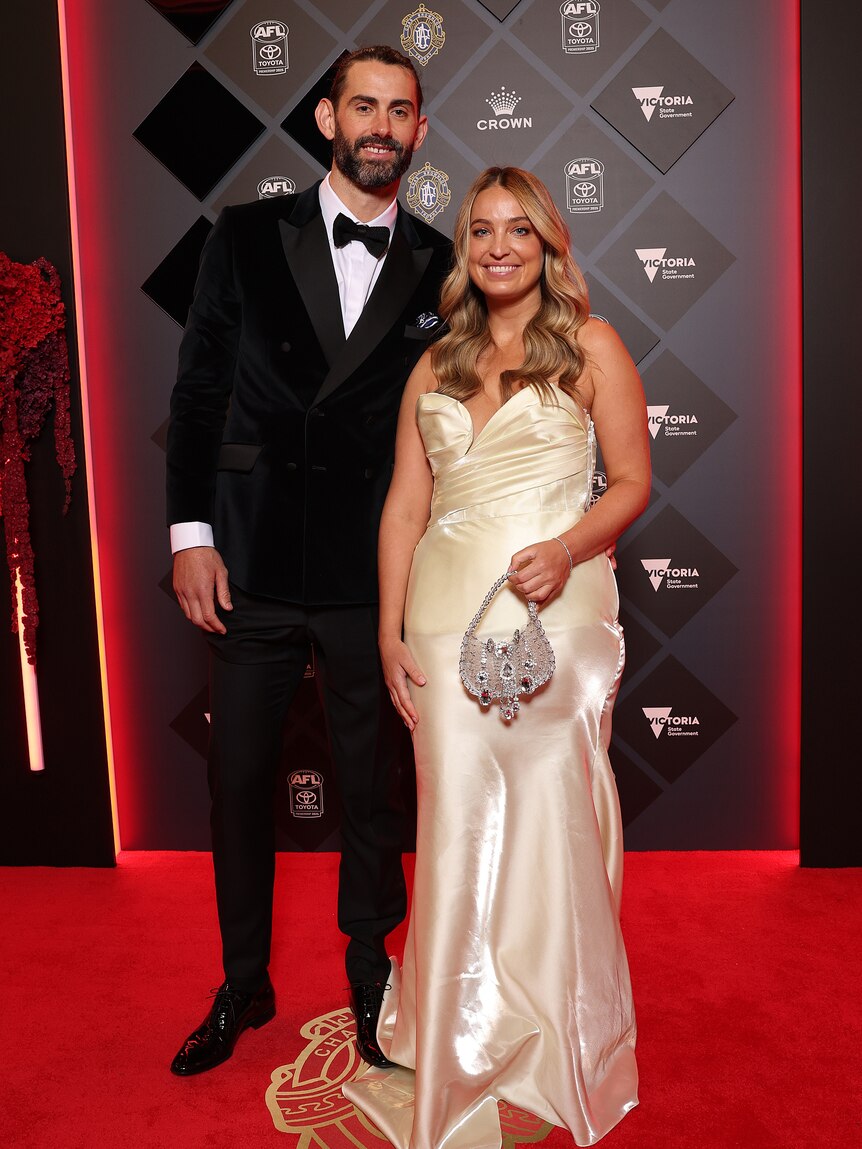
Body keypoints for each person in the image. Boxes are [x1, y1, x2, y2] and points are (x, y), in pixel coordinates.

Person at [344, 167, 650, 1146]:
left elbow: (633, 481)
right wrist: (389, 631)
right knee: (458, 829)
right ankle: (458, 1035)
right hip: (439, 620)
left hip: (557, 617)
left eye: (520, 230)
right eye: (481, 231)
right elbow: (403, 505)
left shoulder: (591, 345)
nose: (499, 247)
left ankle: (557, 1037)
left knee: (551, 825)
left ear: (549, 242)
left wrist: (566, 549)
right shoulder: (431, 365)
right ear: (463, 251)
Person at [165, 45, 452, 1077]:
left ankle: (371, 973)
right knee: (237, 781)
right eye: (363, 105)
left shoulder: (439, 262)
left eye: (402, 111)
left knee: (374, 790)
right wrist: (189, 537)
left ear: (420, 132)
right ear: (326, 118)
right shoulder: (243, 236)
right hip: (246, 560)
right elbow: (197, 394)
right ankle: (244, 981)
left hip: (370, 575)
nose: (381, 125)